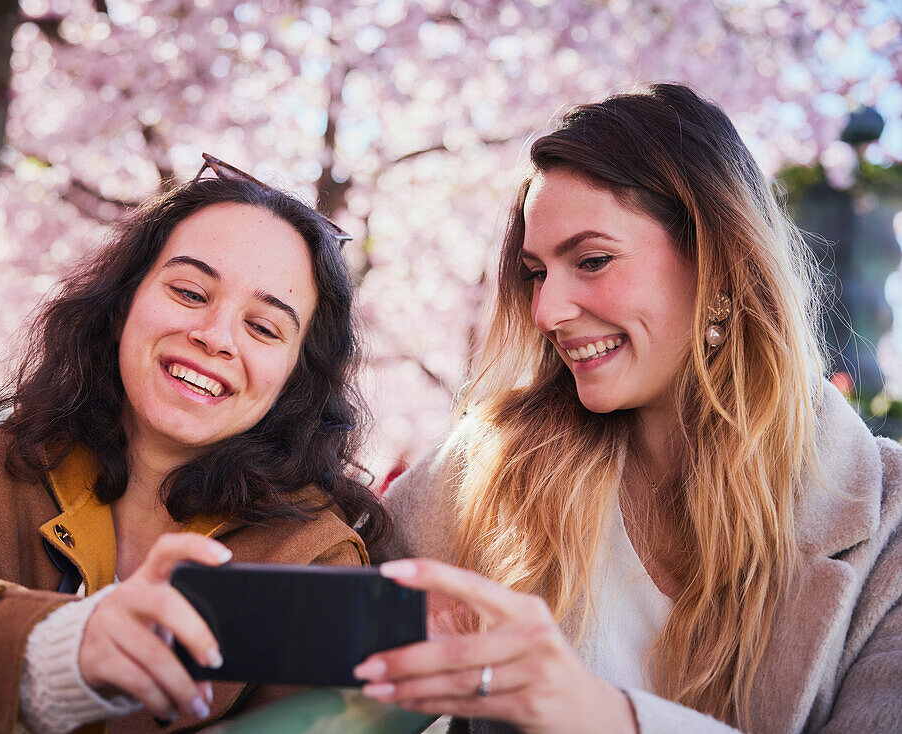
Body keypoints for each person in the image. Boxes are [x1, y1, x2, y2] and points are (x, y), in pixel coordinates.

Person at [356, 84, 902, 733]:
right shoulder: (493, 462)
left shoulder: (888, 529)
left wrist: (596, 713)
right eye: (536, 272)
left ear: (716, 261)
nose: (546, 312)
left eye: (592, 261)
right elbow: (318, 634)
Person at [0, 155, 391, 733]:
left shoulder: (314, 555)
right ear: (121, 306)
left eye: (263, 327)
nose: (214, 337)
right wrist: (60, 649)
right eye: (190, 292)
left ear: (296, 378)